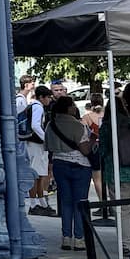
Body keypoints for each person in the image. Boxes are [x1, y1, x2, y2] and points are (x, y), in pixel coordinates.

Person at [99, 82, 130, 247]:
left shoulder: (106, 126)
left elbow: (103, 150)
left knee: (123, 210)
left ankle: (126, 244)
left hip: (116, 172)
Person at [44, 95, 94, 250]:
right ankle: (79, 238)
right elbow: (85, 150)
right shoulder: (78, 126)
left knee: (66, 202)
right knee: (80, 202)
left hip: (60, 164)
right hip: (79, 165)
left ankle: (66, 237)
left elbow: (48, 147)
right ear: (68, 108)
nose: (75, 107)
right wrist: (93, 140)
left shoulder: (50, 125)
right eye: (73, 105)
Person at [26, 85, 54, 215]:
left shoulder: (34, 106)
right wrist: (45, 139)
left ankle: (40, 201)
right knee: (36, 174)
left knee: (40, 174)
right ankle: (34, 203)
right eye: (48, 97)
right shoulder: (38, 107)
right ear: (42, 97)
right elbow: (35, 125)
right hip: (37, 144)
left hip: (35, 144)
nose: (49, 99)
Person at [82, 96, 107, 215]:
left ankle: (103, 204)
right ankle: (111, 203)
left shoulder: (87, 117)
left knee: (97, 178)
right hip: (108, 148)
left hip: (95, 148)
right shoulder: (108, 115)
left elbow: (84, 133)